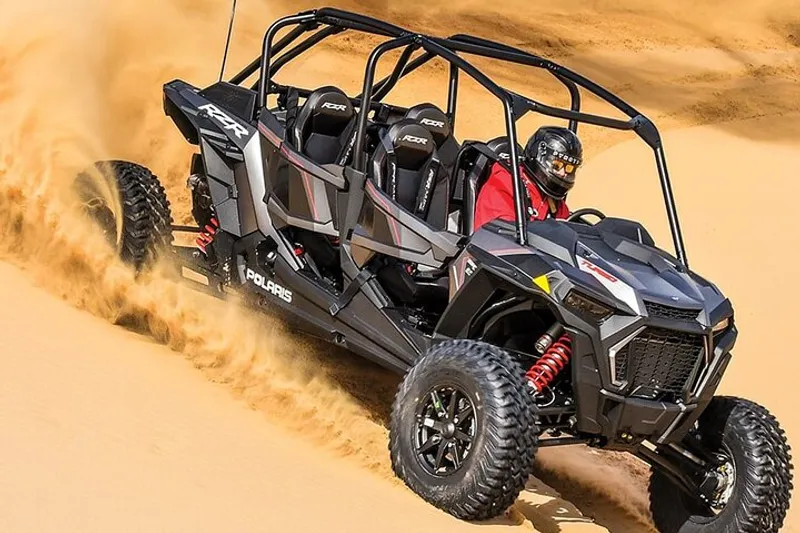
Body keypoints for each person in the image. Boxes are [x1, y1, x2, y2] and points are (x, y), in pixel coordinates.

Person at [473, 126, 582, 231]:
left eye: (569, 169)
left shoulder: (553, 201)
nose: (563, 173)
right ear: (539, 155)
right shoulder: (504, 183)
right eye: (556, 165)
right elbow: (497, 235)